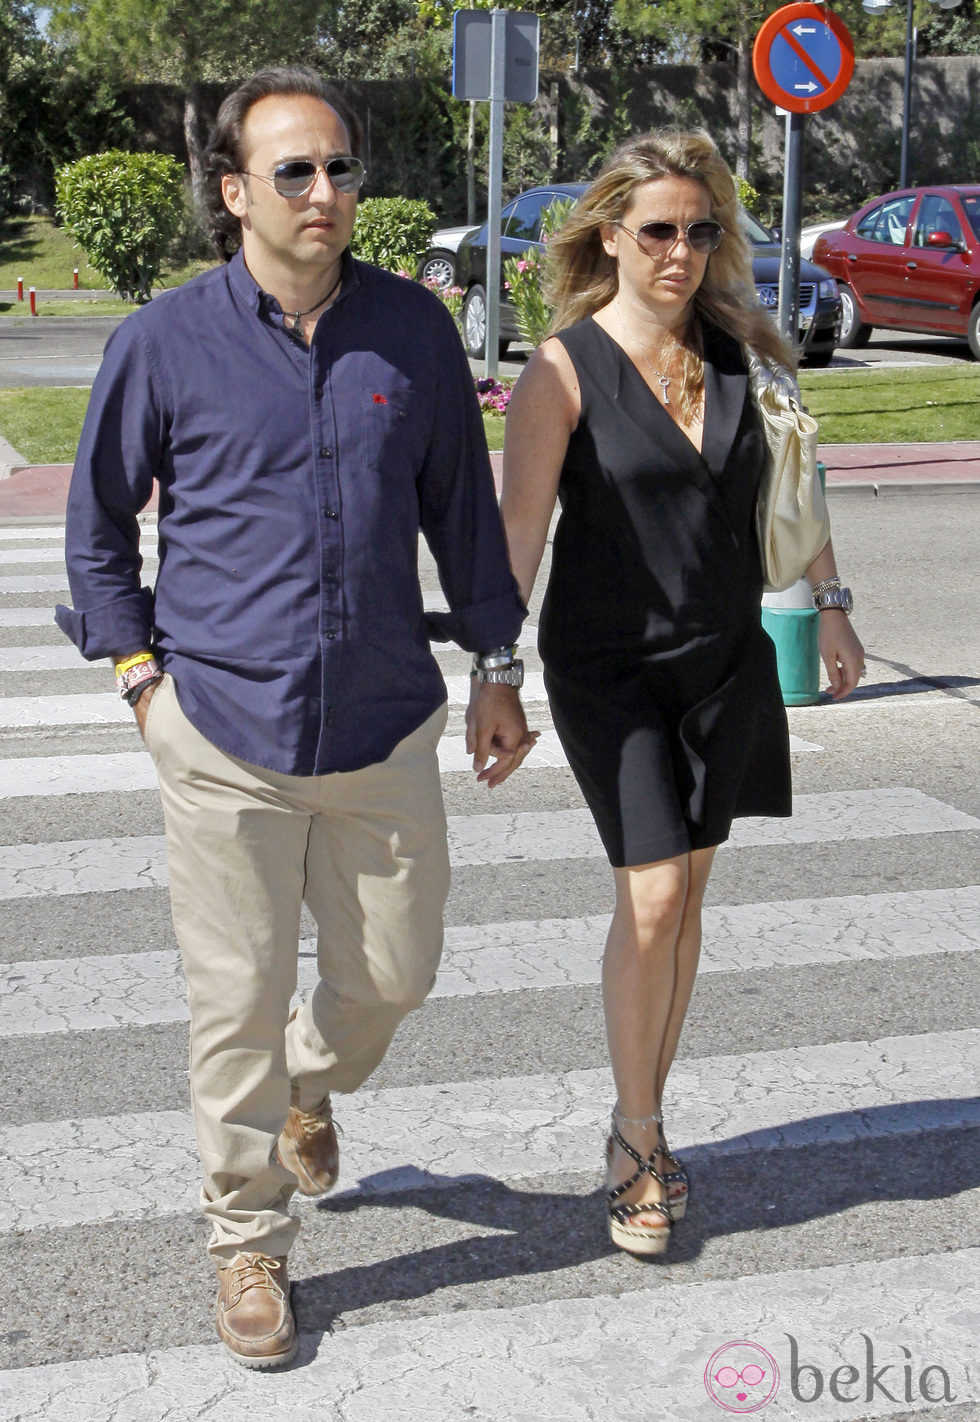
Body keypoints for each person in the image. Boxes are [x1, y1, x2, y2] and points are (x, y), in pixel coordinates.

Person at [55, 66, 534, 1367]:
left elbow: (464, 516)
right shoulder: (162, 343)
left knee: (393, 975)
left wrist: (498, 663)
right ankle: (248, 1241)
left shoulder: (413, 332)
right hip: (220, 732)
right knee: (234, 1003)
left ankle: (311, 1085)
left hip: (382, 719)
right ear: (233, 193)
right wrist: (140, 686)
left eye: (343, 169)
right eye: (297, 172)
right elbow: (98, 537)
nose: (329, 193)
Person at [499, 131, 864, 1257]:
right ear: (608, 233)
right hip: (610, 670)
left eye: (699, 231)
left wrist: (831, 597)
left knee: (687, 902)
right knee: (650, 901)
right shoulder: (560, 369)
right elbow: (517, 543)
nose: (679, 251)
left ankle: (641, 1125)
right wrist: (492, 675)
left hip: (723, 659)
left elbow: (791, 490)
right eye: (657, 229)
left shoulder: (743, 348)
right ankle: (636, 1132)